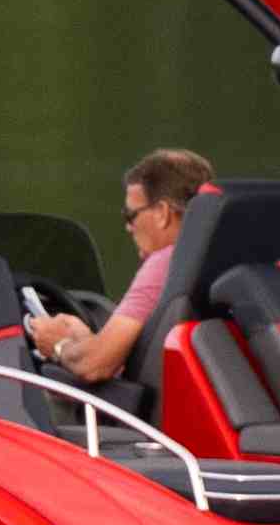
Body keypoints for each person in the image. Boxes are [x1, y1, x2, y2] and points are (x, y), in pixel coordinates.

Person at [30, 148, 211, 390]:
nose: (128, 227)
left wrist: (57, 345)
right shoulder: (217, 256)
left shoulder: (165, 263)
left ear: (162, 213)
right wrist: (86, 340)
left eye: (130, 215)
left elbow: (95, 365)